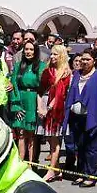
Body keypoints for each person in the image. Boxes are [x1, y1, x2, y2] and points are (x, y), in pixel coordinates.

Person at [65, 50, 97, 187]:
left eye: (87, 59)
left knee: (92, 147)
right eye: (82, 59)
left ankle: (91, 175)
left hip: (94, 117)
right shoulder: (77, 74)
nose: (84, 62)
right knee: (80, 146)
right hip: (77, 117)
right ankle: (81, 173)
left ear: (94, 60)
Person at [37, 45, 72, 182]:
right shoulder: (48, 71)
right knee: (50, 140)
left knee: (55, 140)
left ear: (62, 56)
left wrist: (48, 108)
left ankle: (51, 171)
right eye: (51, 54)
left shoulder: (66, 73)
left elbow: (61, 95)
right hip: (46, 107)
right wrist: (40, 107)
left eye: (55, 54)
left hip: (58, 110)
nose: (52, 57)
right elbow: (40, 90)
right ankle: (56, 169)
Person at [8, 39, 44, 162]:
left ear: (36, 51)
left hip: (33, 100)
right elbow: (13, 84)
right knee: (21, 134)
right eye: (26, 49)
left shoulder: (41, 66)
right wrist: (16, 106)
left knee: (31, 135)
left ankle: (30, 164)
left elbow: (44, 87)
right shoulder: (18, 66)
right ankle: (20, 162)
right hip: (21, 99)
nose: (28, 52)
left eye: (31, 49)